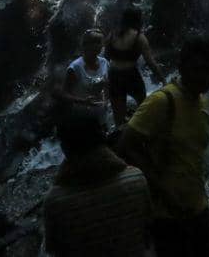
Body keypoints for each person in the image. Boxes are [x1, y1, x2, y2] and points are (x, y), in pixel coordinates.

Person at [118, 35, 209, 257]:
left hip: (198, 205)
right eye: (197, 69)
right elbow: (125, 144)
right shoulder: (161, 101)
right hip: (167, 214)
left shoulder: (201, 101)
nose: (204, 77)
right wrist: (161, 188)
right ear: (181, 67)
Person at [43, 109, 151, 256]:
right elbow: (147, 231)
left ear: (64, 149)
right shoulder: (136, 179)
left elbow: (54, 249)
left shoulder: (55, 202)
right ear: (102, 137)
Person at [105, 7, 167, 127]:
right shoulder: (139, 37)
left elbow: (105, 56)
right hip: (131, 76)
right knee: (143, 108)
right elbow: (150, 62)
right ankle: (142, 131)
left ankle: (120, 135)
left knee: (118, 117)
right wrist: (163, 80)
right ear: (138, 20)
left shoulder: (112, 34)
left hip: (114, 75)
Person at [55, 30, 110, 127]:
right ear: (86, 45)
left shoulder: (104, 62)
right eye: (96, 42)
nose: (100, 45)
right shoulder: (75, 67)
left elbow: (107, 84)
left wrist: (106, 100)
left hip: (100, 110)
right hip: (81, 115)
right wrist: (82, 101)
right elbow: (63, 93)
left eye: (101, 42)